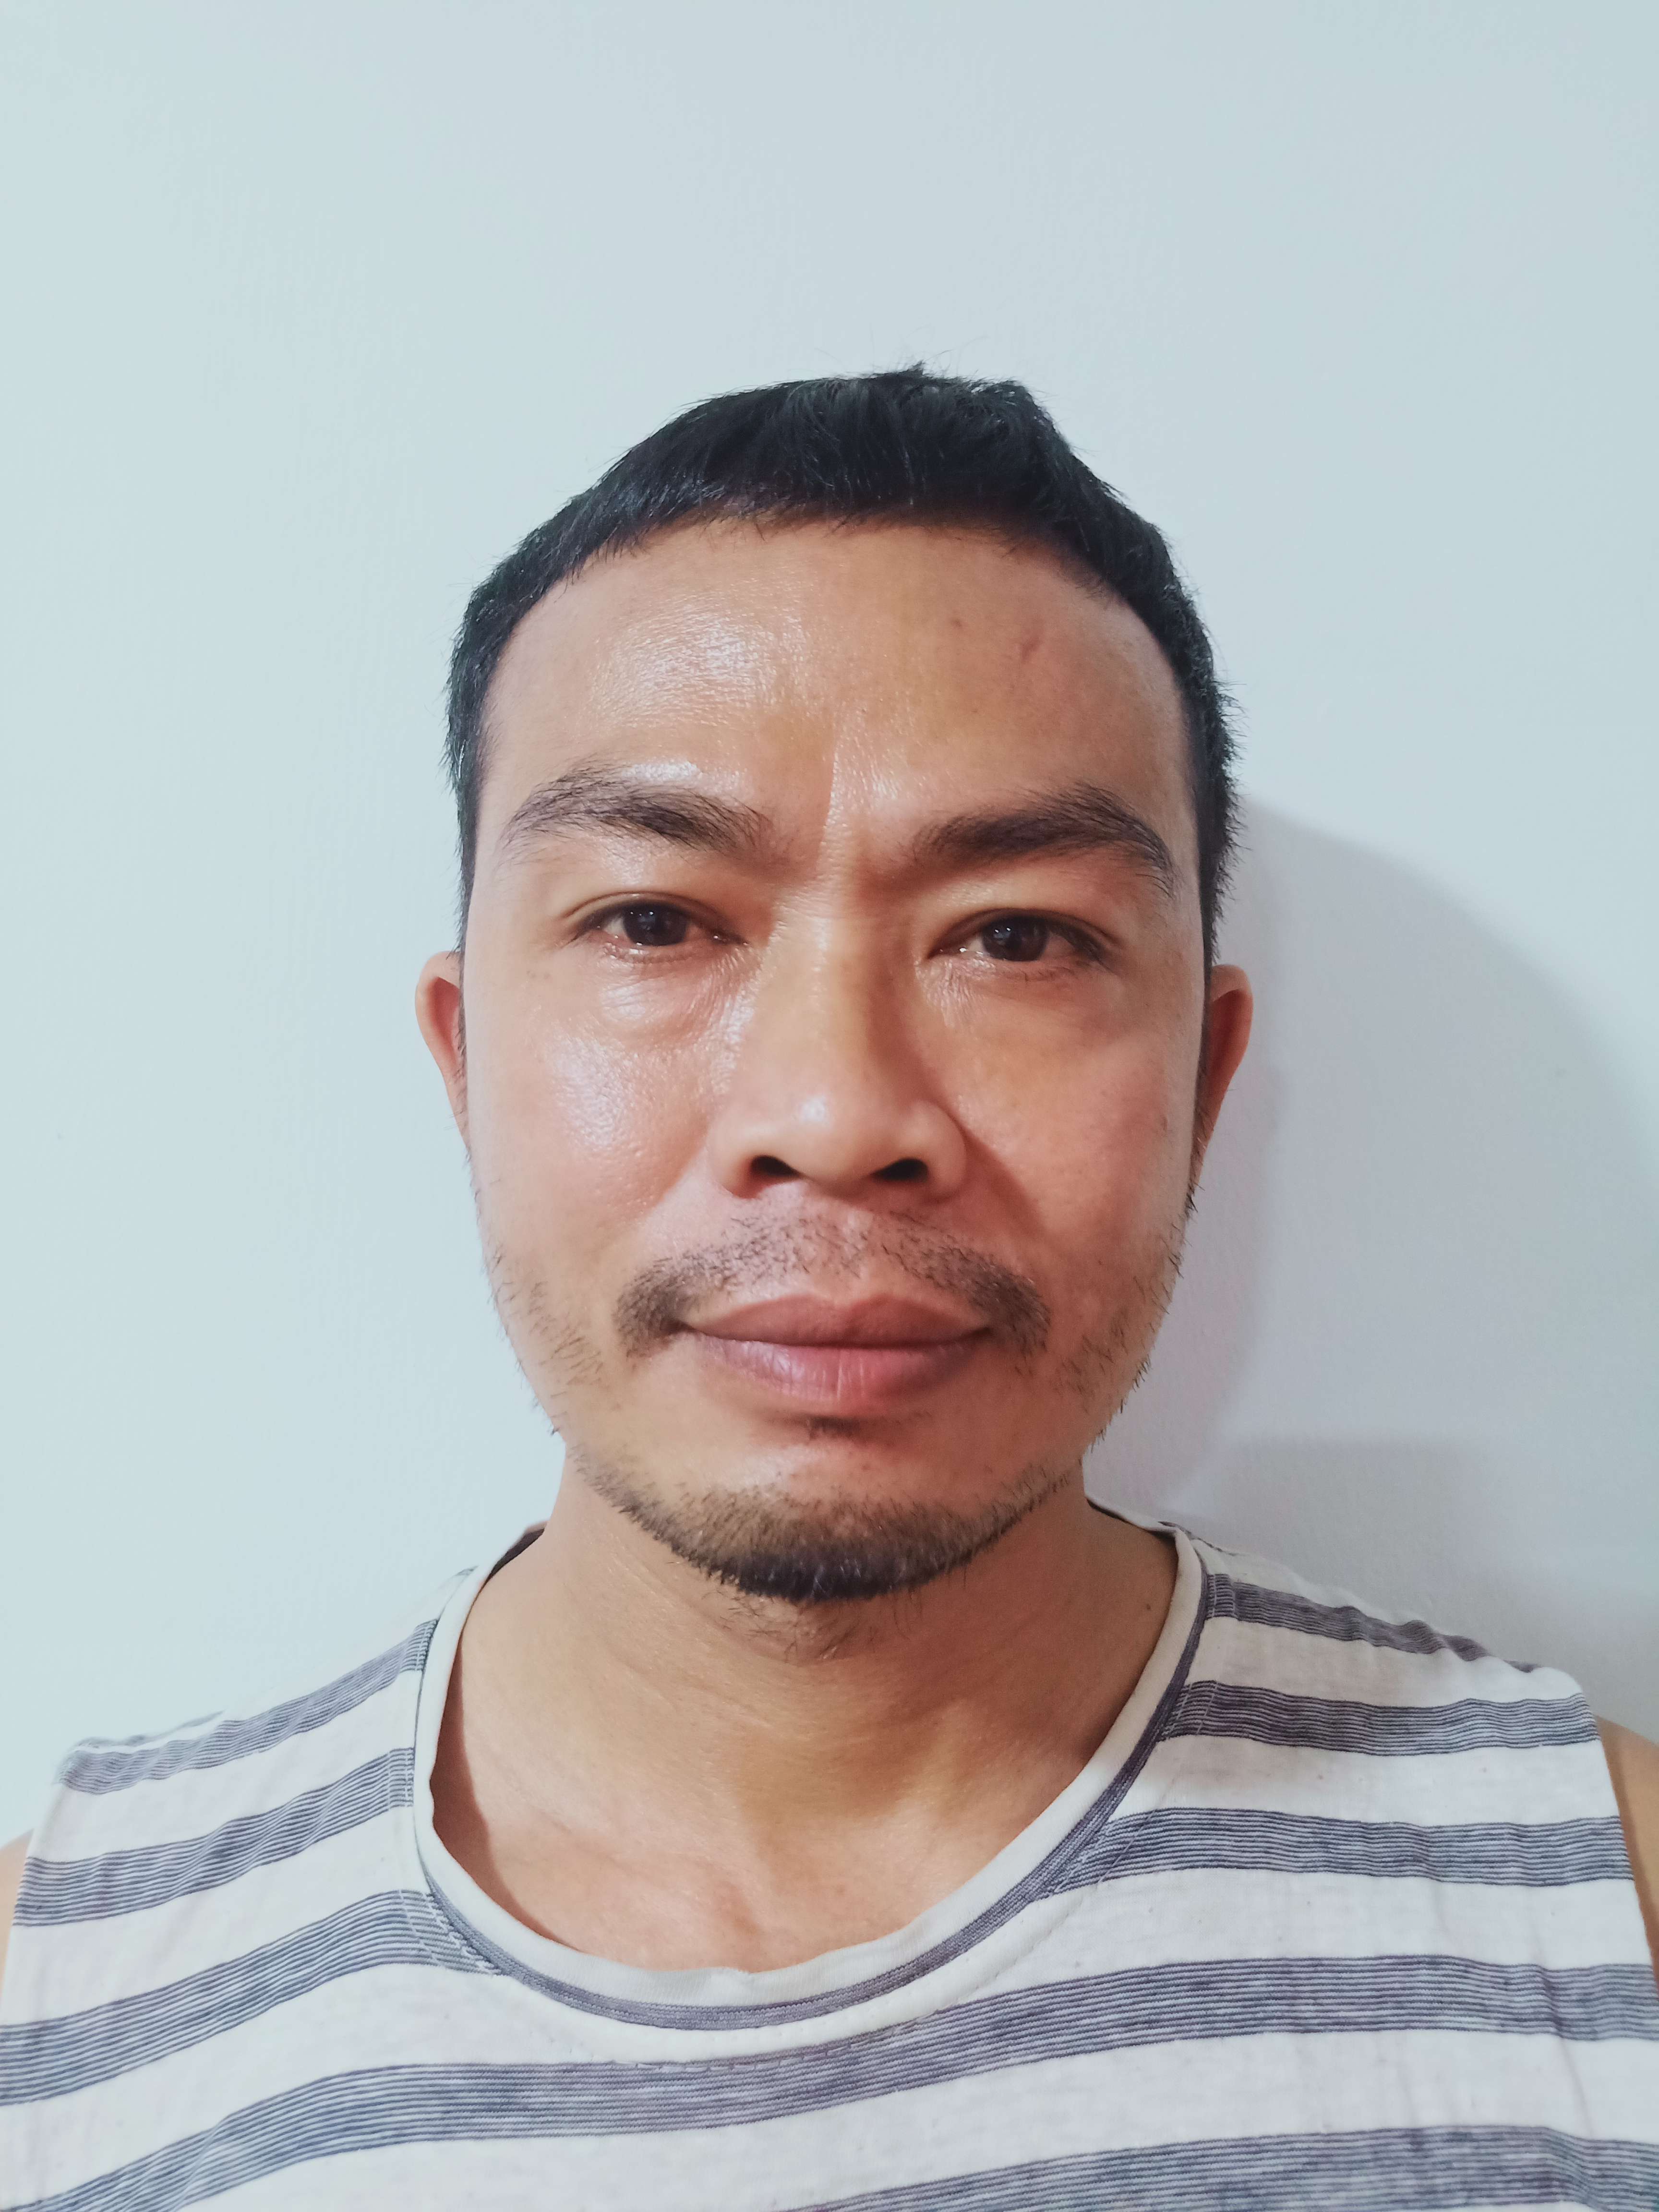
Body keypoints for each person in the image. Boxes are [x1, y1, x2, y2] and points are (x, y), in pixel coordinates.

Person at [2, 371, 1655, 2209]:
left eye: (1016, 936)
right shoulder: (56, 1998)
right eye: (655, 920)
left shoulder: (1613, 1922)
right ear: (466, 1060)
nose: (837, 1114)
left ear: (1204, 1082)